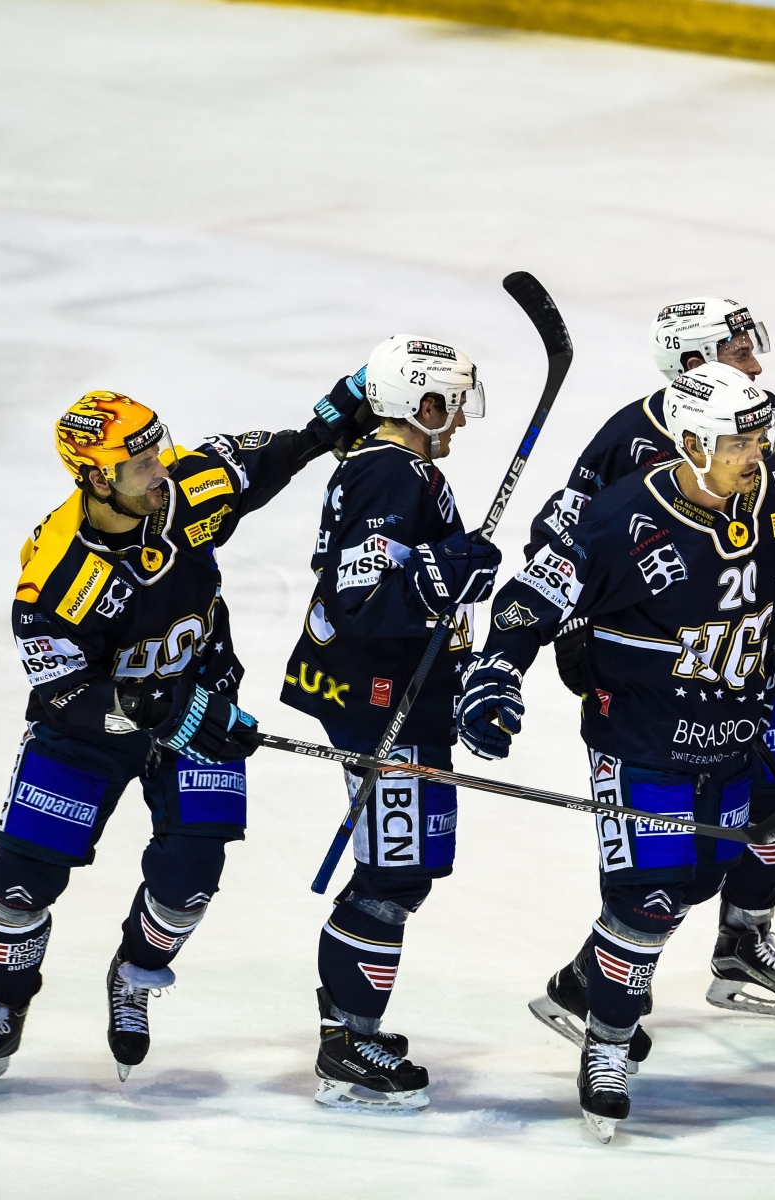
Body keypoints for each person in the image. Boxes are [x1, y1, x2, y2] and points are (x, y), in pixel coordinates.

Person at [0, 389, 361, 1095]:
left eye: (159, 452)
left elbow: (271, 458)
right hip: (90, 732)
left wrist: (337, 415)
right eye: (141, 463)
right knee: (19, 884)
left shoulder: (184, 491)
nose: (163, 470)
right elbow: (67, 694)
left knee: (188, 886)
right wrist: (154, 713)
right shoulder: (54, 577)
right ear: (97, 478)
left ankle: (134, 975)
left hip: (202, 704)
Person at [457, 363, 775, 1142]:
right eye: (740, 440)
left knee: (700, 882)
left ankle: (576, 987)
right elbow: (533, 599)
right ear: (693, 443)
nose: (758, 453)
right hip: (641, 746)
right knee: (648, 900)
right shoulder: (622, 521)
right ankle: (607, 1044)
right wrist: (494, 674)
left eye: (760, 437)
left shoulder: (768, 503)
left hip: (730, 746)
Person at [525, 298, 775, 1032]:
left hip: (752, 657)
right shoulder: (626, 440)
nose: (755, 366)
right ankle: (596, 983)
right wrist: (573, 628)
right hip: (663, 680)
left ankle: (743, 943)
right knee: (660, 869)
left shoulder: (763, 422)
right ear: (693, 366)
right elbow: (558, 542)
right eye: (738, 352)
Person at [279, 337, 501, 1110]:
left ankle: (350, 1023)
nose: (461, 423)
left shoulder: (386, 466)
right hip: (381, 704)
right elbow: (364, 599)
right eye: (452, 406)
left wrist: (444, 577)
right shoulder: (391, 470)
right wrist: (445, 574)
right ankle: (347, 1040)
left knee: (401, 870)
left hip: (389, 694)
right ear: (420, 403)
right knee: (392, 874)